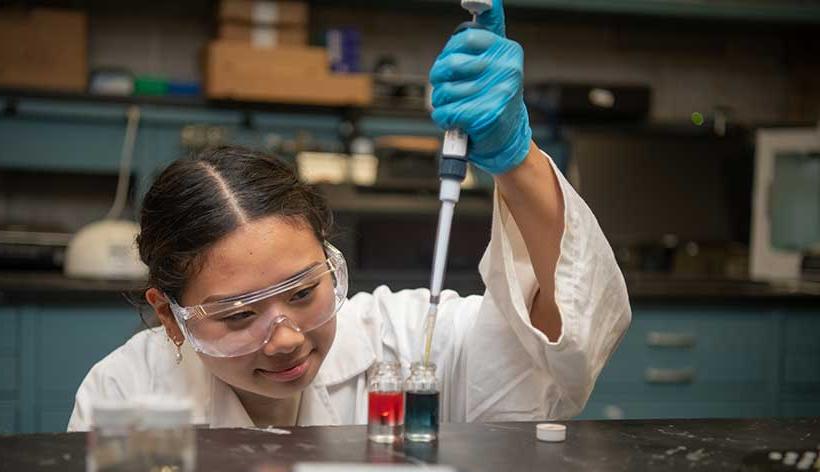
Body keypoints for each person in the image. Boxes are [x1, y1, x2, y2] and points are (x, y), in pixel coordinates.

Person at [68, 0, 631, 431]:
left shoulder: (407, 346)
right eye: (239, 316)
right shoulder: (125, 395)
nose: (286, 339)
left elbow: (561, 350)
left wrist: (518, 162)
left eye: (303, 291)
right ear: (171, 316)